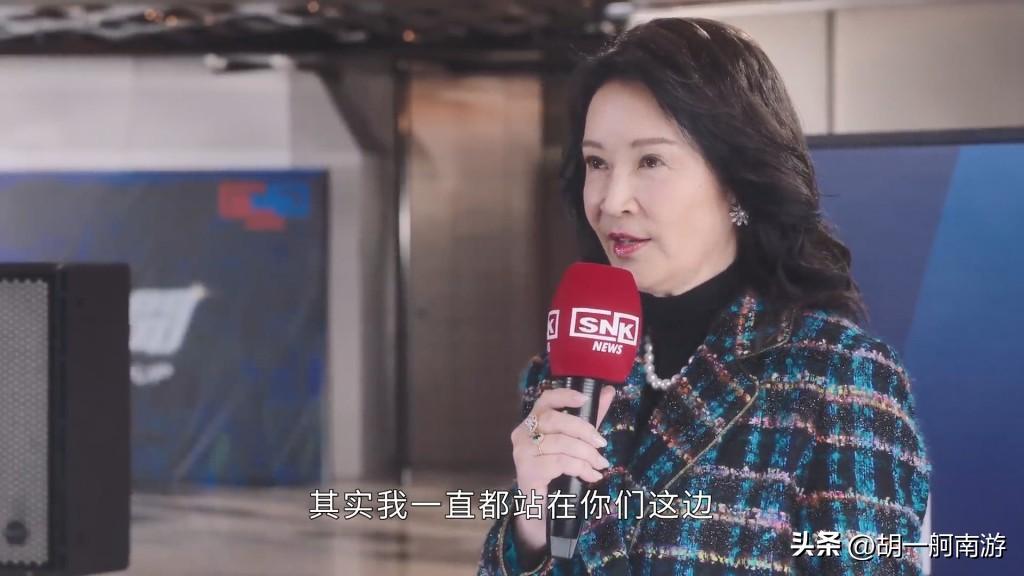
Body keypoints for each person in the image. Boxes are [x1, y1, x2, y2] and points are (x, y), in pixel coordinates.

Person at [478, 17, 931, 576]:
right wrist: (532, 523)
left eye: (651, 161)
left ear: (735, 180)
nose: (612, 200)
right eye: (597, 162)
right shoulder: (562, 374)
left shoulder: (840, 376)